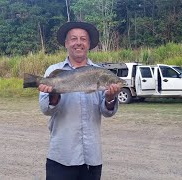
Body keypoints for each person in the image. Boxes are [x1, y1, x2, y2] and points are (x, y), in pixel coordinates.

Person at [38, 21, 121, 180]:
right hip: (61, 156)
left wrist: (110, 98)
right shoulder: (53, 71)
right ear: (66, 43)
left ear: (89, 44)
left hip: (91, 157)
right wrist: (54, 94)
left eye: (83, 39)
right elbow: (45, 110)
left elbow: (107, 112)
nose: (78, 43)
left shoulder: (100, 72)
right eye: (73, 39)